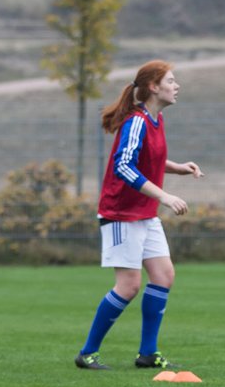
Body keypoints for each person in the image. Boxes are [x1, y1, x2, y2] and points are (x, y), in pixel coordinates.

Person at [74, 60, 203, 370]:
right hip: (121, 214)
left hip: (144, 214)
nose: (177, 86)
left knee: (163, 276)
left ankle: (148, 353)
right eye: (171, 81)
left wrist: (176, 168)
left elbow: (148, 158)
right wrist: (165, 195)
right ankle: (87, 353)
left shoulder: (155, 121)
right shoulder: (136, 122)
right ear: (153, 87)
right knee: (129, 285)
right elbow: (123, 165)